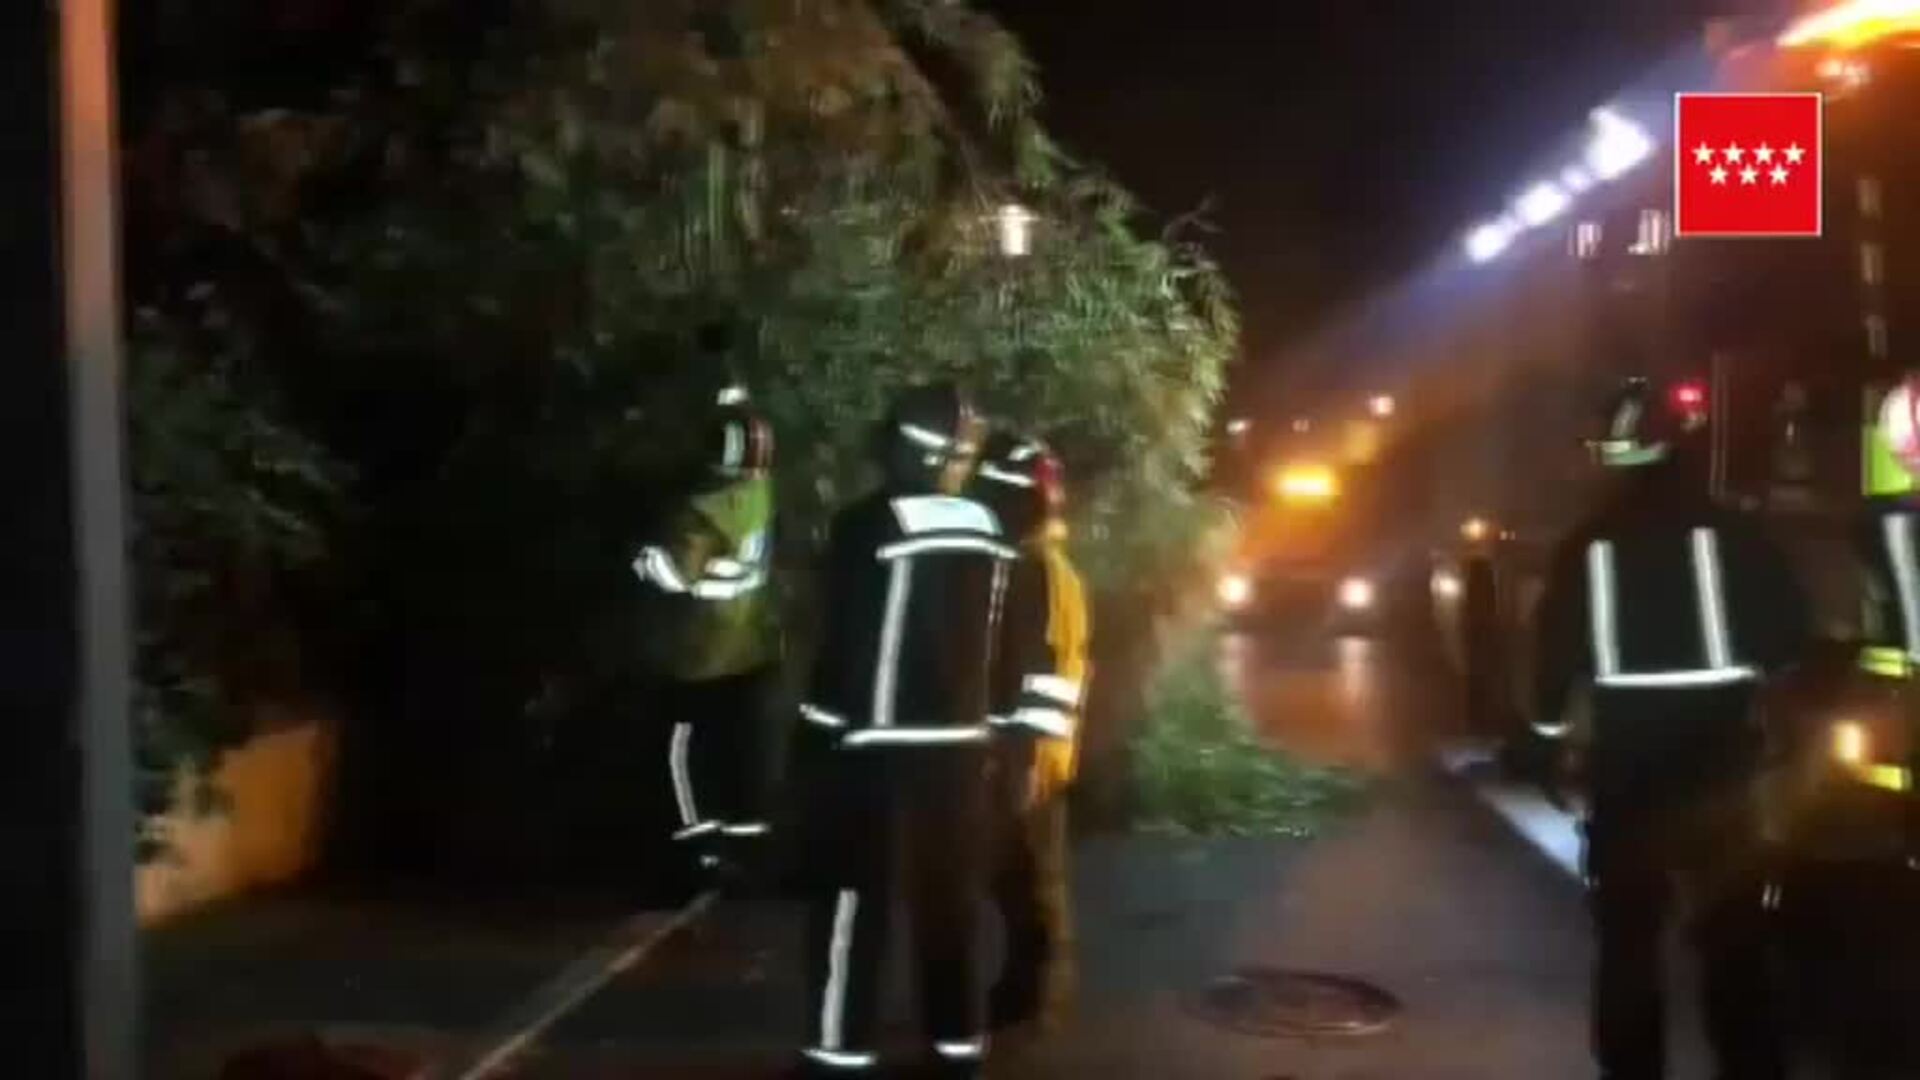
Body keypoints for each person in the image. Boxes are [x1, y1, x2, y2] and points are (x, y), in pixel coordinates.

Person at [1529, 375, 1810, 1080]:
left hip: (1628, 773)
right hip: (1719, 767)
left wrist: (1541, 744)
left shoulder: (1585, 549)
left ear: (1610, 457)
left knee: (1628, 945)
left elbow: (1553, 662)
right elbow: (1788, 639)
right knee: (1733, 944)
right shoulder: (1739, 536)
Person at [792, 383, 1012, 1078]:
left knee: (854, 907)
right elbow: (1000, 649)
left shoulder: (867, 525)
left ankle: (841, 1052)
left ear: (899, 443)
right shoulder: (990, 530)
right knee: (950, 909)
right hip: (962, 754)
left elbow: (845, 645)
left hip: (876, 753)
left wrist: (813, 735)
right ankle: (957, 1048)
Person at [631, 366, 782, 884]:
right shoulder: (762, 497)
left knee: (682, 752)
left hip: (698, 656)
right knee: (742, 751)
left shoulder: (700, 511)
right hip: (752, 648)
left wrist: (645, 560)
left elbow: (673, 572)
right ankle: (753, 853)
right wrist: (733, 393)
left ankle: (698, 852)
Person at [969, 431, 1090, 1038]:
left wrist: (1020, 766)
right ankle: (1025, 992)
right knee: (1017, 883)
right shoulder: (1034, 564)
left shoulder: (1036, 571)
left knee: (1029, 886)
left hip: (1029, 762)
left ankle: (1031, 997)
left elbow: (1041, 677)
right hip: (1029, 757)